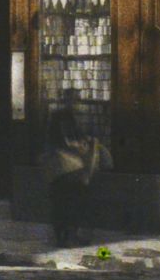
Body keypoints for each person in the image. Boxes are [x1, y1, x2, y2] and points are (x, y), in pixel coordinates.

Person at [40, 91, 109, 248]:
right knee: (70, 201)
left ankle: (64, 236)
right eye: (74, 100)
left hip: (61, 167)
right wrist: (85, 145)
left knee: (62, 202)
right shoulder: (63, 117)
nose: (76, 103)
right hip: (66, 166)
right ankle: (67, 237)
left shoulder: (61, 116)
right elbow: (69, 140)